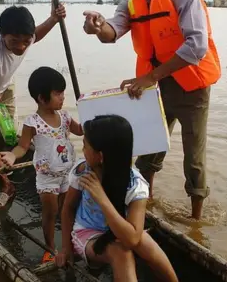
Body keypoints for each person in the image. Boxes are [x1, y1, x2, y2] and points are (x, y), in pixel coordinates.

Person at [81, 0, 221, 220]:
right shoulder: (131, 2)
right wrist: (98, 27)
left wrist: (149, 76)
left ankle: (196, 219)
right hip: (156, 89)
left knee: (193, 159)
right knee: (148, 148)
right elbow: (113, 31)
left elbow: (196, 45)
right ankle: (146, 202)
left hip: (192, 87)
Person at [0, 2, 66, 209]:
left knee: (9, 129)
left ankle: (5, 156)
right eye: (14, 41)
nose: (20, 47)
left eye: (25, 42)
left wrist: (54, 19)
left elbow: (37, 34)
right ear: (2, 35)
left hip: (5, 85)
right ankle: (5, 182)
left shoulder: (27, 37)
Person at [56, 115, 178, 282]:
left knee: (144, 242)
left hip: (120, 230)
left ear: (100, 156)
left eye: (85, 146)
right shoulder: (82, 172)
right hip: (87, 232)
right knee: (121, 253)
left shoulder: (135, 184)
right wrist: (65, 248)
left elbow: (133, 238)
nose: (82, 151)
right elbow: (68, 208)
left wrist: (101, 198)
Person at [0, 67, 83, 263]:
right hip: (47, 176)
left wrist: (92, 115)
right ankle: (50, 248)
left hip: (67, 173)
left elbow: (80, 131)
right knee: (50, 213)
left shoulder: (64, 116)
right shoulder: (33, 122)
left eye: (63, 92)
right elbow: (22, 146)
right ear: (41, 98)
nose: (63, 97)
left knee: (66, 210)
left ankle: (67, 246)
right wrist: (12, 156)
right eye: (57, 94)